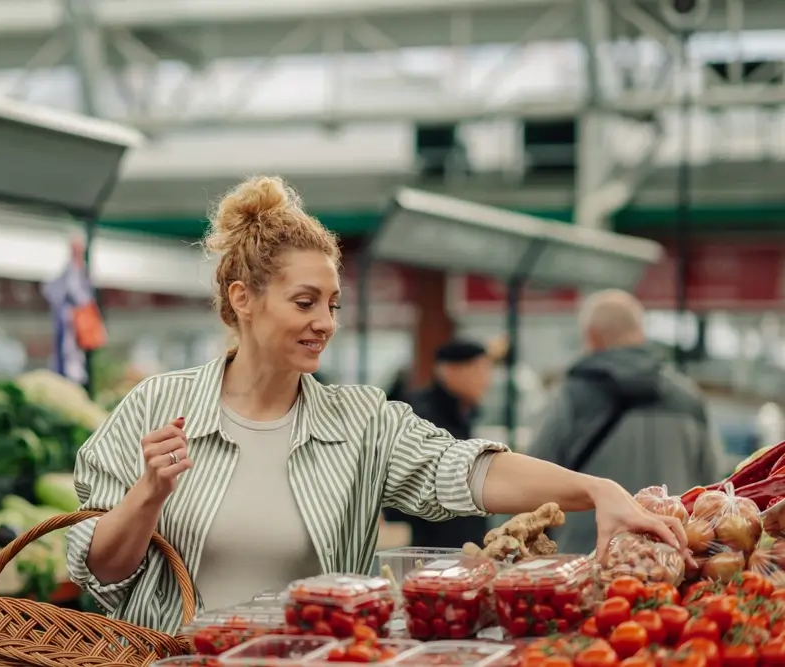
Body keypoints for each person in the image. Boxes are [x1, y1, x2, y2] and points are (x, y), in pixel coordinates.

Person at [65, 177, 688, 633]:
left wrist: (596, 489)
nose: (325, 322)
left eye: (333, 305)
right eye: (305, 302)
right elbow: (102, 572)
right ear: (244, 299)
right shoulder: (158, 406)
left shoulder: (360, 419)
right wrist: (147, 493)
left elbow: (467, 470)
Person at [526, 288, 723, 554]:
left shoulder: (571, 396)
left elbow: (534, 479)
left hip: (591, 560)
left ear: (592, 336)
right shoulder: (688, 397)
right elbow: (712, 488)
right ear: (640, 332)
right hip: (672, 560)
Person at [382, 339, 495, 548]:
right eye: (479, 371)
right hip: (430, 549)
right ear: (450, 371)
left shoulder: (462, 412)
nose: (487, 381)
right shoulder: (420, 416)